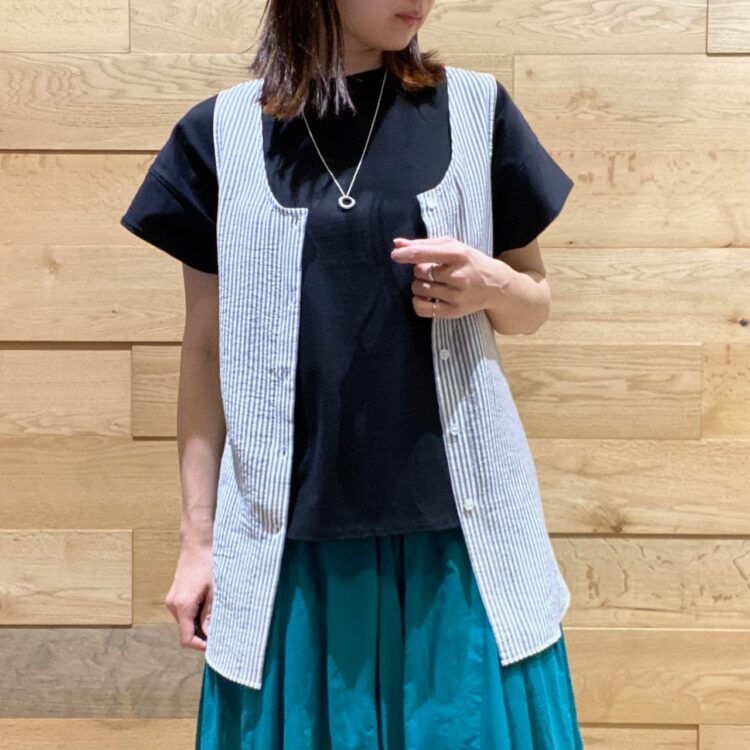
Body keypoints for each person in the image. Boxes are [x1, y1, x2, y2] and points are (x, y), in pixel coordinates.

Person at [120, 0, 584, 747]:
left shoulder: (475, 111)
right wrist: (197, 541)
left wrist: (490, 285)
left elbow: (533, 303)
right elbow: (205, 350)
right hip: (286, 550)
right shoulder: (220, 134)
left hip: (458, 545)